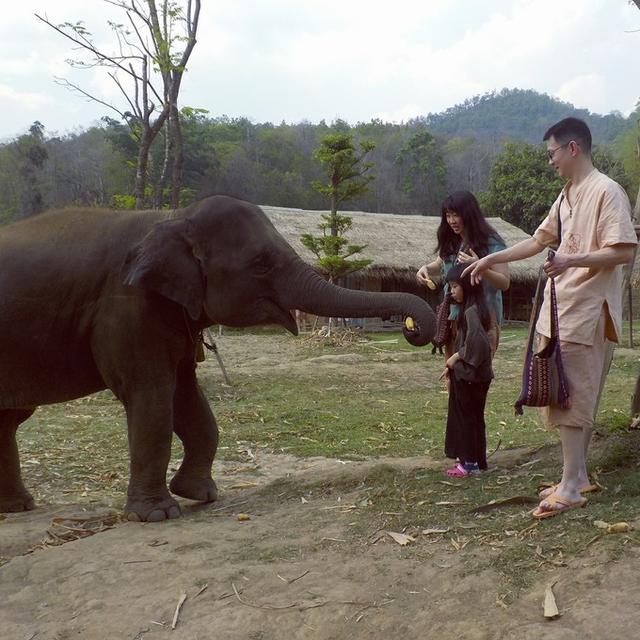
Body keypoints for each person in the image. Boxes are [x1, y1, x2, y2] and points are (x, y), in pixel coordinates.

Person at [466, 117, 637, 518]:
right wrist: (492, 257)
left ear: (572, 148)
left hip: (588, 309)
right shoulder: (566, 195)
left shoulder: (607, 192)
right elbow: (539, 240)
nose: (550, 162)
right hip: (561, 309)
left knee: (574, 395)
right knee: (564, 392)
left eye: (552, 153)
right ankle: (576, 475)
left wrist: (571, 260)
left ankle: (572, 484)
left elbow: (624, 251)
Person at [416, 191, 510, 360]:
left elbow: (504, 283)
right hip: (453, 315)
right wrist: (426, 269)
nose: (451, 221)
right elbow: (440, 264)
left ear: (469, 215)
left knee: (475, 371)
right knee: (452, 373)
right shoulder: (451, 240)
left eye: (456, 215)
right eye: (448, 215)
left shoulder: (492, 242)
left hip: (482, 316)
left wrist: (482, 266)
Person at [440, 264, 494, 477]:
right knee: (475, 418)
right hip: (478, 377)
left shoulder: (471, 312)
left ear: (468, 287)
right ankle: (477, 462)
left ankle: (468, 463)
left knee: (466, 418)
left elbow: (478, 344)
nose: (452, 291)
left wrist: (455, 357)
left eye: (455, 286)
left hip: (470, 378)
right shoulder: (477, 310)